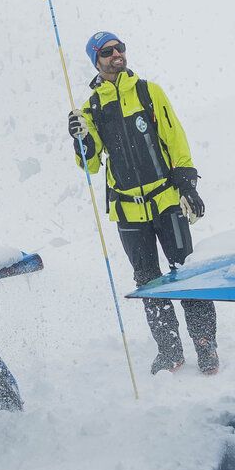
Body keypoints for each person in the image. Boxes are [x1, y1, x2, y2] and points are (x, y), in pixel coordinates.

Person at [68, 30, 219, 375]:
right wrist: (80, 138)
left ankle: (205, 344)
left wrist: (188, 185)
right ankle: (169, 351)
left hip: (166, 200)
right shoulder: (92, 107)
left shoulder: (148, 91)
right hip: (127, 209)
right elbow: (90, 163)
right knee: (147, 280)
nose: (116, 54)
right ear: (96, 60)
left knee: (188, 273)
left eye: (120, 48)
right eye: (107, 51)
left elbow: (174, 136)